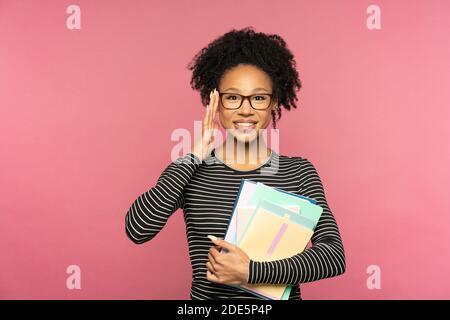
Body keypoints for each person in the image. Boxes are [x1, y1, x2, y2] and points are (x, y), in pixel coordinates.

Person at [125, 27, 346, 300]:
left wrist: (251, 273)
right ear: (215, 101)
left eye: (258, 97)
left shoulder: (298, 172)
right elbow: (138, 229)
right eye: (232, 97)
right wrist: (192, 157)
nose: (245, 109)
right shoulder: (192, 171)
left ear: (273, 102)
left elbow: (334, 256)